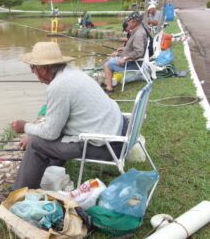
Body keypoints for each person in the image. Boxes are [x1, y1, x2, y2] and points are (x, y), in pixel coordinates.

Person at [11, 42, 127, 190]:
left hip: (108, 147)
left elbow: (51, 133)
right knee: (42, 138)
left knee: (36, 144)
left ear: (43, 69)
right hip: (118, 132)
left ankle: (19, 193)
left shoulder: (59, 86)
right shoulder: (71, 72)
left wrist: (25, 127)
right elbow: (56, 125)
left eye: (32, 67)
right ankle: (52, 173)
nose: (32, 71)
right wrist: (37, 132)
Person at [102, 11, 147, 93]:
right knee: (109, 60)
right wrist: (124, 48)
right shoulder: (137, 30)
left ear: (134, 22)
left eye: (128, 21)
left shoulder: (138, 34)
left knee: (107, 64)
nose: (127, 23)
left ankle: (109, 88)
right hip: (131, 60)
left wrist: (125, 58)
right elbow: (134, 47)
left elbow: (139, 52)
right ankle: (109, 83)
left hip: (133, 63)